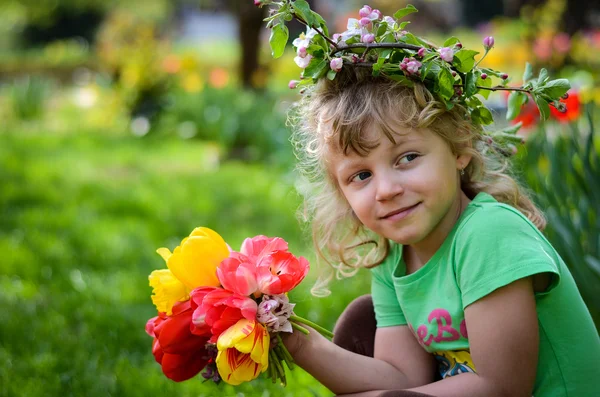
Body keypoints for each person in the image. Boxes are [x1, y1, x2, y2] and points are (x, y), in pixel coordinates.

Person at [279, 50, 600, 397]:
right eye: (361, 175)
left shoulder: (489, 233)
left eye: (408, 157)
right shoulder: (394, 254)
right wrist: (297, 343)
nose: (386, 190)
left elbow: (502, 388)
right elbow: (402, 377)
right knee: (360, 325)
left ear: (459, 147)